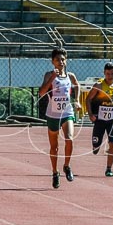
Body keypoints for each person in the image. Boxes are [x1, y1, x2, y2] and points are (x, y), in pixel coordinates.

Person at [38, 48, 80, 189]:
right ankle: (55, 172)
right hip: (53, 114)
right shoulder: (49, 75)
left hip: (67, 112)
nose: (60, 62)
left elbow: (77, 85)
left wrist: (77, 100)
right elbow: (41, 93)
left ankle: (66, 166)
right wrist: (51, 78)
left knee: (69, 138)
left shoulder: (71, 76)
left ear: (66, 60)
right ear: (52, 62)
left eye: (62, 59)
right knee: (54, 147)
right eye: (57, 60)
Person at [84, 62, 113, 177]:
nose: (110, 76)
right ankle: (95, 146)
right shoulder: (98, 85)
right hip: (100, 119)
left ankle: (109, 168)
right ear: (104, 73)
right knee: (96, 146)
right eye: (108, 74)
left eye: (112, 74)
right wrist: (90, 114)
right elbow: (88, 99)